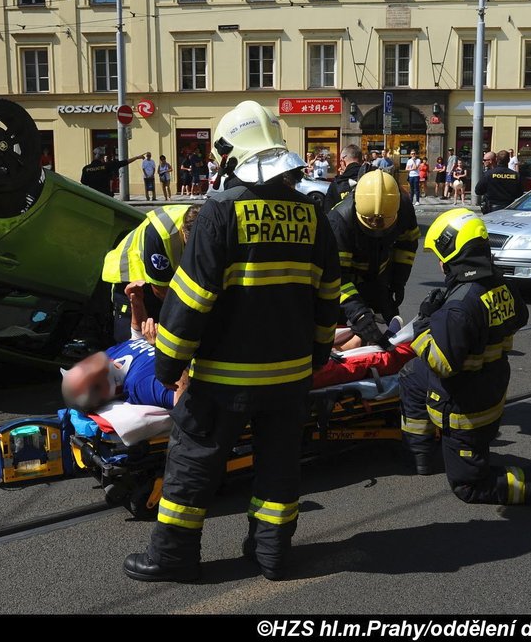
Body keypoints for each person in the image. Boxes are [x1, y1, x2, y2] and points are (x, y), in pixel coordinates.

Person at [123, 100, 340, 583]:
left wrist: (166, 364)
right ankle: (272, 554)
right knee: (280, 469)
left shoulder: (220, 213)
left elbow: (190, 301)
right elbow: (328, 298)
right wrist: (318, 356)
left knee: (194, 463)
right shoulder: (313, 216)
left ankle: (174, 556)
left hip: (222, 378)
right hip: (288, 377)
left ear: (232, 157)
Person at [399, 208, 531, 504]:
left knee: (469, 487)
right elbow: (519, 317)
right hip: (489, 386)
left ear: (453, 253)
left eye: (440, 254)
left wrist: (423, 325)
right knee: (412, 374)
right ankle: (421, 454)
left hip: (465, 411)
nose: (438, 262)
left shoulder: (459, 307)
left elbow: (442, 363)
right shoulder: (501, 284)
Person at [327, 170, 419, 347]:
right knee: (341, 327)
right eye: (371, 222)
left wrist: (399, 282)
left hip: (379, 275)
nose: (377, 229)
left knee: (388, 330)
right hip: (349, 278)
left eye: (384, 223)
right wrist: (359, 314)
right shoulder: (339, 221)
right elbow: (337, 277)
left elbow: (406, 247)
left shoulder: (404, 206)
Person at [102, 205, 201, 342]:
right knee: (135, 342)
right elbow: (161, 291)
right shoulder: (161, 234)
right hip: (131, 278)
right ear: (183, 232)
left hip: (165, 281)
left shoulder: (210, 221)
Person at [80, 147, 145, 196]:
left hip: (93, 195)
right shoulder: (107, 165)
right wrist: (136, 157)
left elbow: (84, 182)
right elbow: (124, 162)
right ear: (102, 157)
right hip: (105, 195)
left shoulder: (86, 168)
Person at [325, 144, 364, 211]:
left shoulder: (337, 184)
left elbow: (328, 212)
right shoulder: (371, 178)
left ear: (342, 161)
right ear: (362, 161)